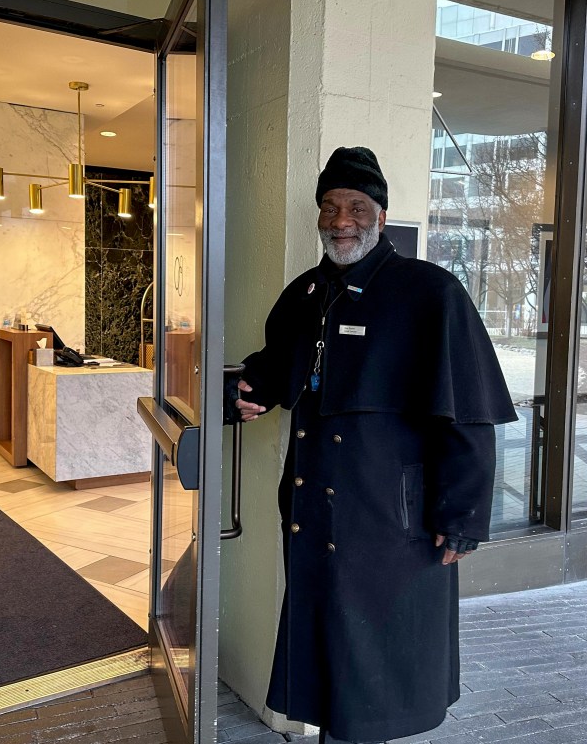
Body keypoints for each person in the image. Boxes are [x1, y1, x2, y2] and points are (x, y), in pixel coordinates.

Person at [229, 147, 517, 744]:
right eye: (329, 208)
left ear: (381, 216)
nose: (341, 221)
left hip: (393, 522)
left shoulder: (433, 294)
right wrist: (241, 390)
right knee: (331, 655)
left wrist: (462, 518)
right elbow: (279, 371)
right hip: (314, 513)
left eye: (356, 208)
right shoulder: (305, 294)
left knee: (378, 670)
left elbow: (469, 419)